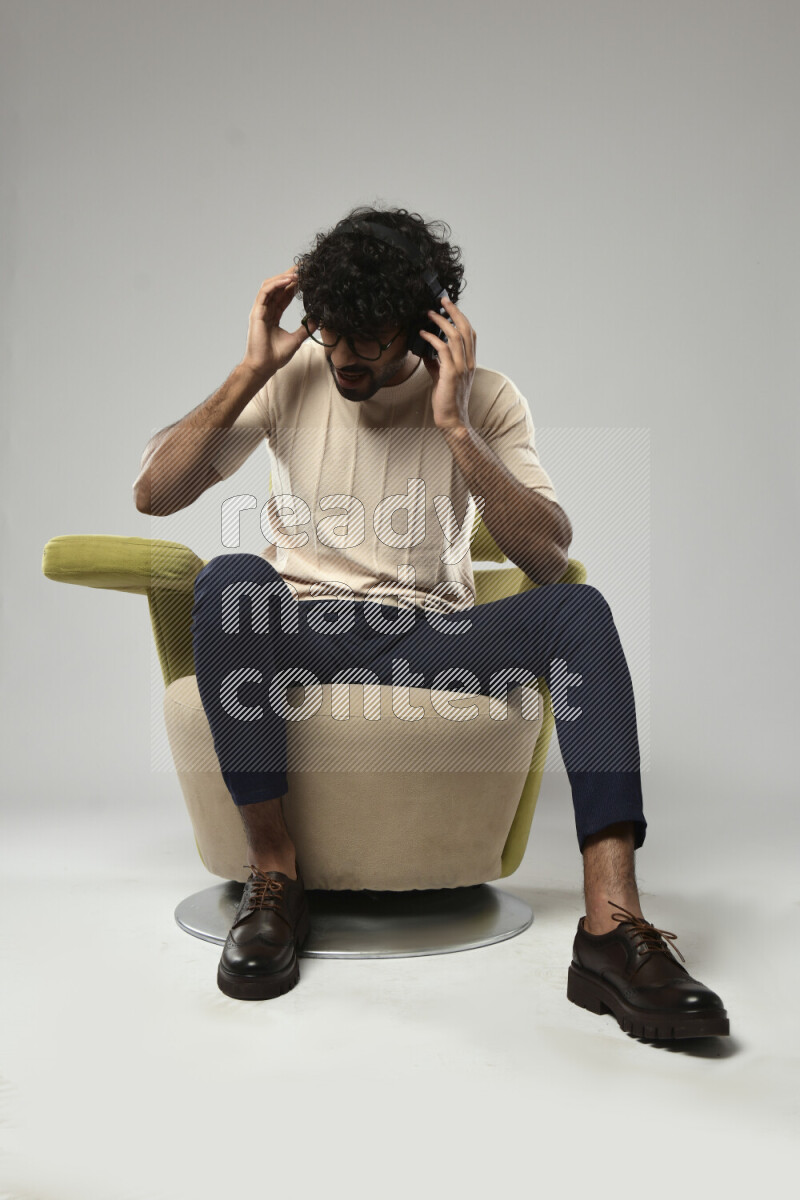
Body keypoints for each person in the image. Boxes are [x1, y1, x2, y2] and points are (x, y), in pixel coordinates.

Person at [134, 205, 729, 1039]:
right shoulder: (294, 375)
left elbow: (549, 555)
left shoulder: (484, 399)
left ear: (421, 330)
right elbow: (154, 493)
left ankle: (610, 930)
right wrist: (249, 371)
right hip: (302, 627)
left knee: (579, 611)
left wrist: (455, 423)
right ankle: (276, 880)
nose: (344, 358)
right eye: (331, 334)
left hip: (426, 637)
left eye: (369, 340)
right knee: (233, 579)